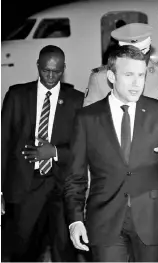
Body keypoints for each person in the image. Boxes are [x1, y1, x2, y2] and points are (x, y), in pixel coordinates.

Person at [64, 45, 158, 262]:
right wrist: (75, 220)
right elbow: (75, 176)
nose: (136, 82)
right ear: (111, 76)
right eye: (129, 75)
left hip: (150, 220)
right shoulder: (87, 118)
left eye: (141, 75)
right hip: (104, 221)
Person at [1, 45, 83, 262]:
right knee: (23, 252)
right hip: (25, 187)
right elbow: (3, 143)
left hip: (62, 187)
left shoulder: (76, 99)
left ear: (64, 69)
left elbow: (82, 149)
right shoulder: (17, 95)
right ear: (38, 66)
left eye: (56, 71)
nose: (50, 76)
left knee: (64, 253)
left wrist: (54, 152)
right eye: (46, 70)